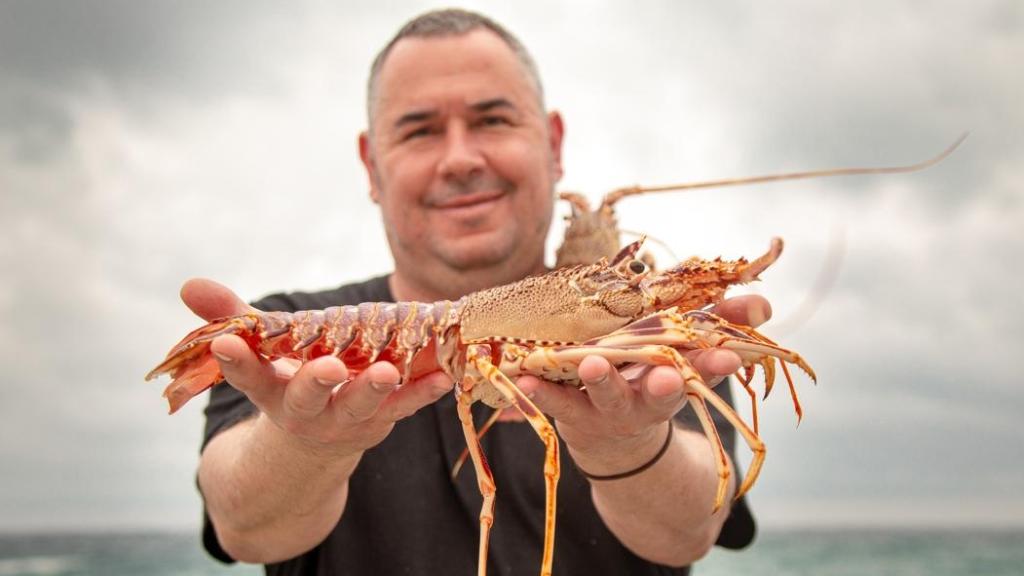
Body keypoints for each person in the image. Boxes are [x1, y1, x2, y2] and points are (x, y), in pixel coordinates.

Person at [185, 8, 761, 575]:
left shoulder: (653, 344)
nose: (460, 159)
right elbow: (242, 529)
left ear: (554, 145)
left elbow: (689, 532)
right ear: (371, 167)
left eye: (493, 120)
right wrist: (307, 446)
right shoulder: (284, 322)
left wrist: (626, 446)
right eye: (419, 130)